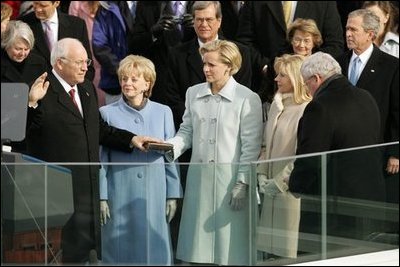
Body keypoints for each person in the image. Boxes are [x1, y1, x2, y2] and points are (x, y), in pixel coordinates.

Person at [26, 38, 160, 263]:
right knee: (62, 255)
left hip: (88, 188)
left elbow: (100, 130)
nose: (85, 67)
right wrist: (31, 104)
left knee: (86, 253)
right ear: (59, 64)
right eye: (78, 62)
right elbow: (26, 133)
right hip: (57, 192)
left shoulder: (87, 87)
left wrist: (131, 139)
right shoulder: (42, 90)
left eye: (86, 61)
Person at [165, 39, 263, 265]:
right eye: (204, 64)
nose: (205, 69)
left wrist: (243, 182)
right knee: (199, 251)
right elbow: (187, 131)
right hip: (199, 182)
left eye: (212, 65)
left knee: (231, 251)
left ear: (229, 66)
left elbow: (251, 147)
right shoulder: (193, 93)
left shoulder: (247, 98)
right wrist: (170, 147)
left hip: (230, 184)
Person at [288, 52, 385, 242]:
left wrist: (295, 186)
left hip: (334, 206)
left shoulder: (319, 107)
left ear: (316, 79)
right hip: (372, 198)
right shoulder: (366, 97)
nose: (307, 91)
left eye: (306, 84)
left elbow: (311, 159)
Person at [98, 55, 182, 265]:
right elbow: (101, 160)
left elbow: (170, 156)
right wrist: (102, 196)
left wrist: (172, 193)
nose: (127, 83)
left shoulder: (163, 112)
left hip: (155, 193)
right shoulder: (106, 113)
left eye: (134, 79)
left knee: (154, 252)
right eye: (124, 78)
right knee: (119, 252)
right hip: (119, 192)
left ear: (148, 83)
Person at [256, 54, 311, 259]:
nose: (276, 79)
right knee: (270, 253)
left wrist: (280, 182)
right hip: (269, 193)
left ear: (296, 78)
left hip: (290, 192)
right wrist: (261, 174)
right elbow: (264, 145)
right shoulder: (276, 107)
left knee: (287, 253)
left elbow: (303, 154)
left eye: (282, 75)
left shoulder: (306, 109)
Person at [236, 2, 344, 61]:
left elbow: (335, 45)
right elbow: (245, 41)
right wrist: (265, 67)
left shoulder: (324, 4)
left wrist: (308, 65)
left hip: (309, 86)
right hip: (266, 84)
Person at [20, 1, 95, 81]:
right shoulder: (23, 24)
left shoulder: (77, 25)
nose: (38, 9)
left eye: (43, 5)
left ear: (56, 3)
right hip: (36, 86)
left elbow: (87, 63)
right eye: (35, 3)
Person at [69, 1, 105, 106]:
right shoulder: (76, 4)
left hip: (105, 58)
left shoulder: (109, 4)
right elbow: (72, 32)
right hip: (85, 57)